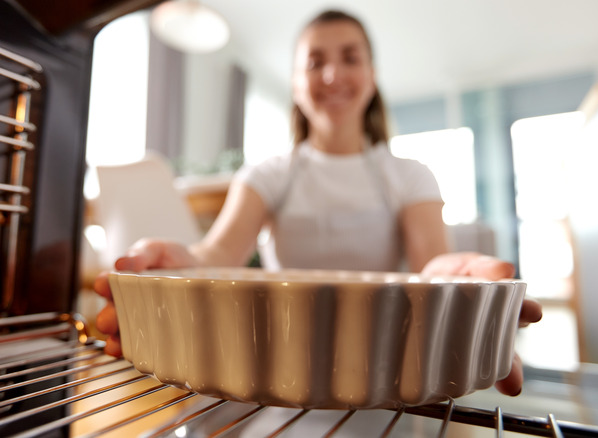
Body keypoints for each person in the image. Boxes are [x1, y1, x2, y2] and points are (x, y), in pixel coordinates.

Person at [94, 9, 542, 397]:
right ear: (295, 83)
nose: (332, 75)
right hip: (274, 372)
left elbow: (432, 266)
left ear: (372, 75)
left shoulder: (411, 175)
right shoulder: (267, 174)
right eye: (315, 62)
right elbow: (216, 255)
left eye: (350, 58)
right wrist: (180, 259)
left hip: (384, 376)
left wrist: (461, 294)